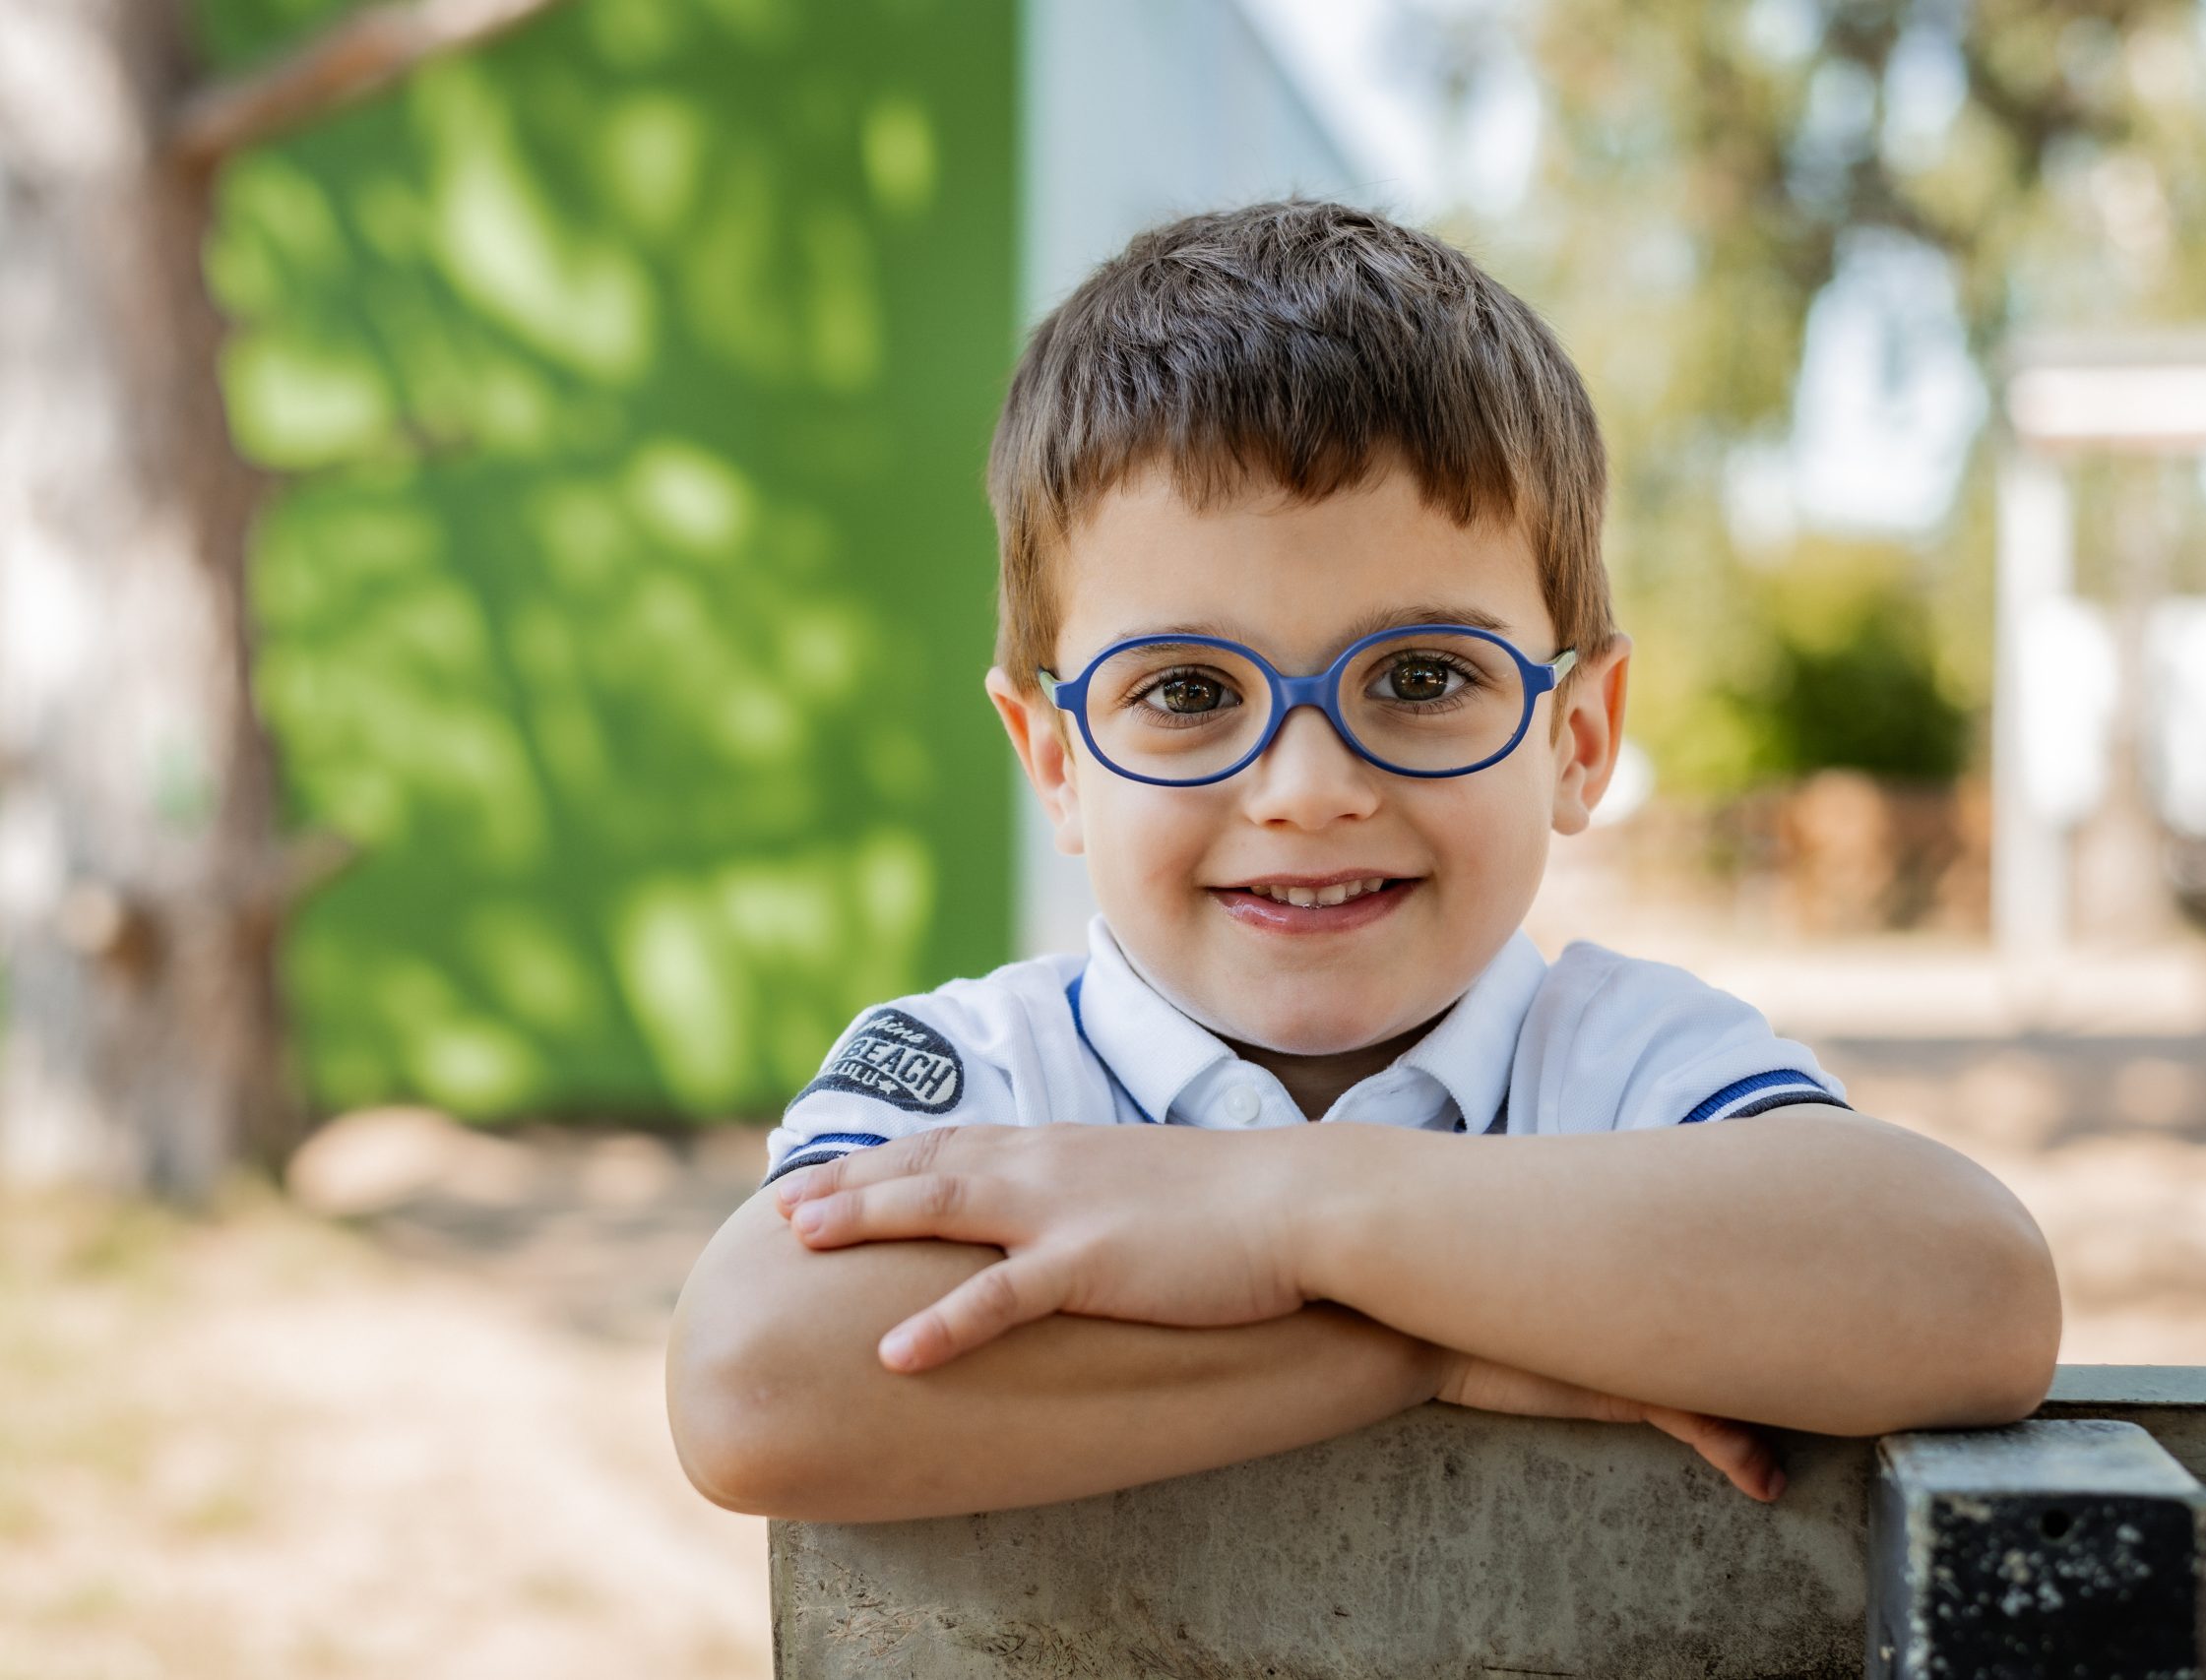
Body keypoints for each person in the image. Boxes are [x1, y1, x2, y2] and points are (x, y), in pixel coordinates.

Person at [664, 200, 2059, 1524]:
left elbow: (1969, 1295)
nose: (1310, 789)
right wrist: (1427, 1357)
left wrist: (1288, 1219)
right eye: (1189, 692)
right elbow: (755, 1386)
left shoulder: (1625, 1062)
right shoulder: (988, 1076)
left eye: (1422, 673)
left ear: (1577, 736)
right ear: (1054, 759)